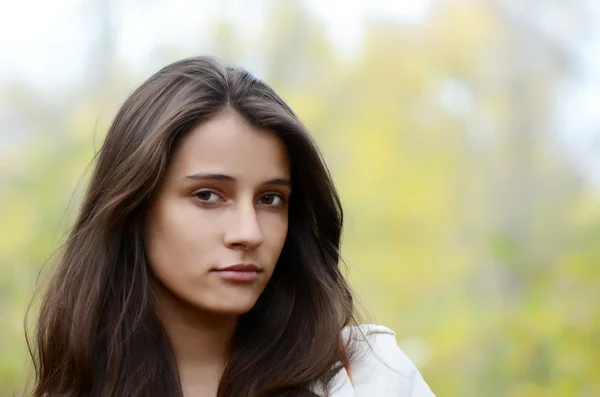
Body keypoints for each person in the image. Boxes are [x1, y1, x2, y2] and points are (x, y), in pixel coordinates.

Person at [27, 56, 435, 396]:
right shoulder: (75, 385)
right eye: (207, 195)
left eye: (270, 199)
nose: (249, 232)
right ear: (134, 206)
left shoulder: (365, 380)